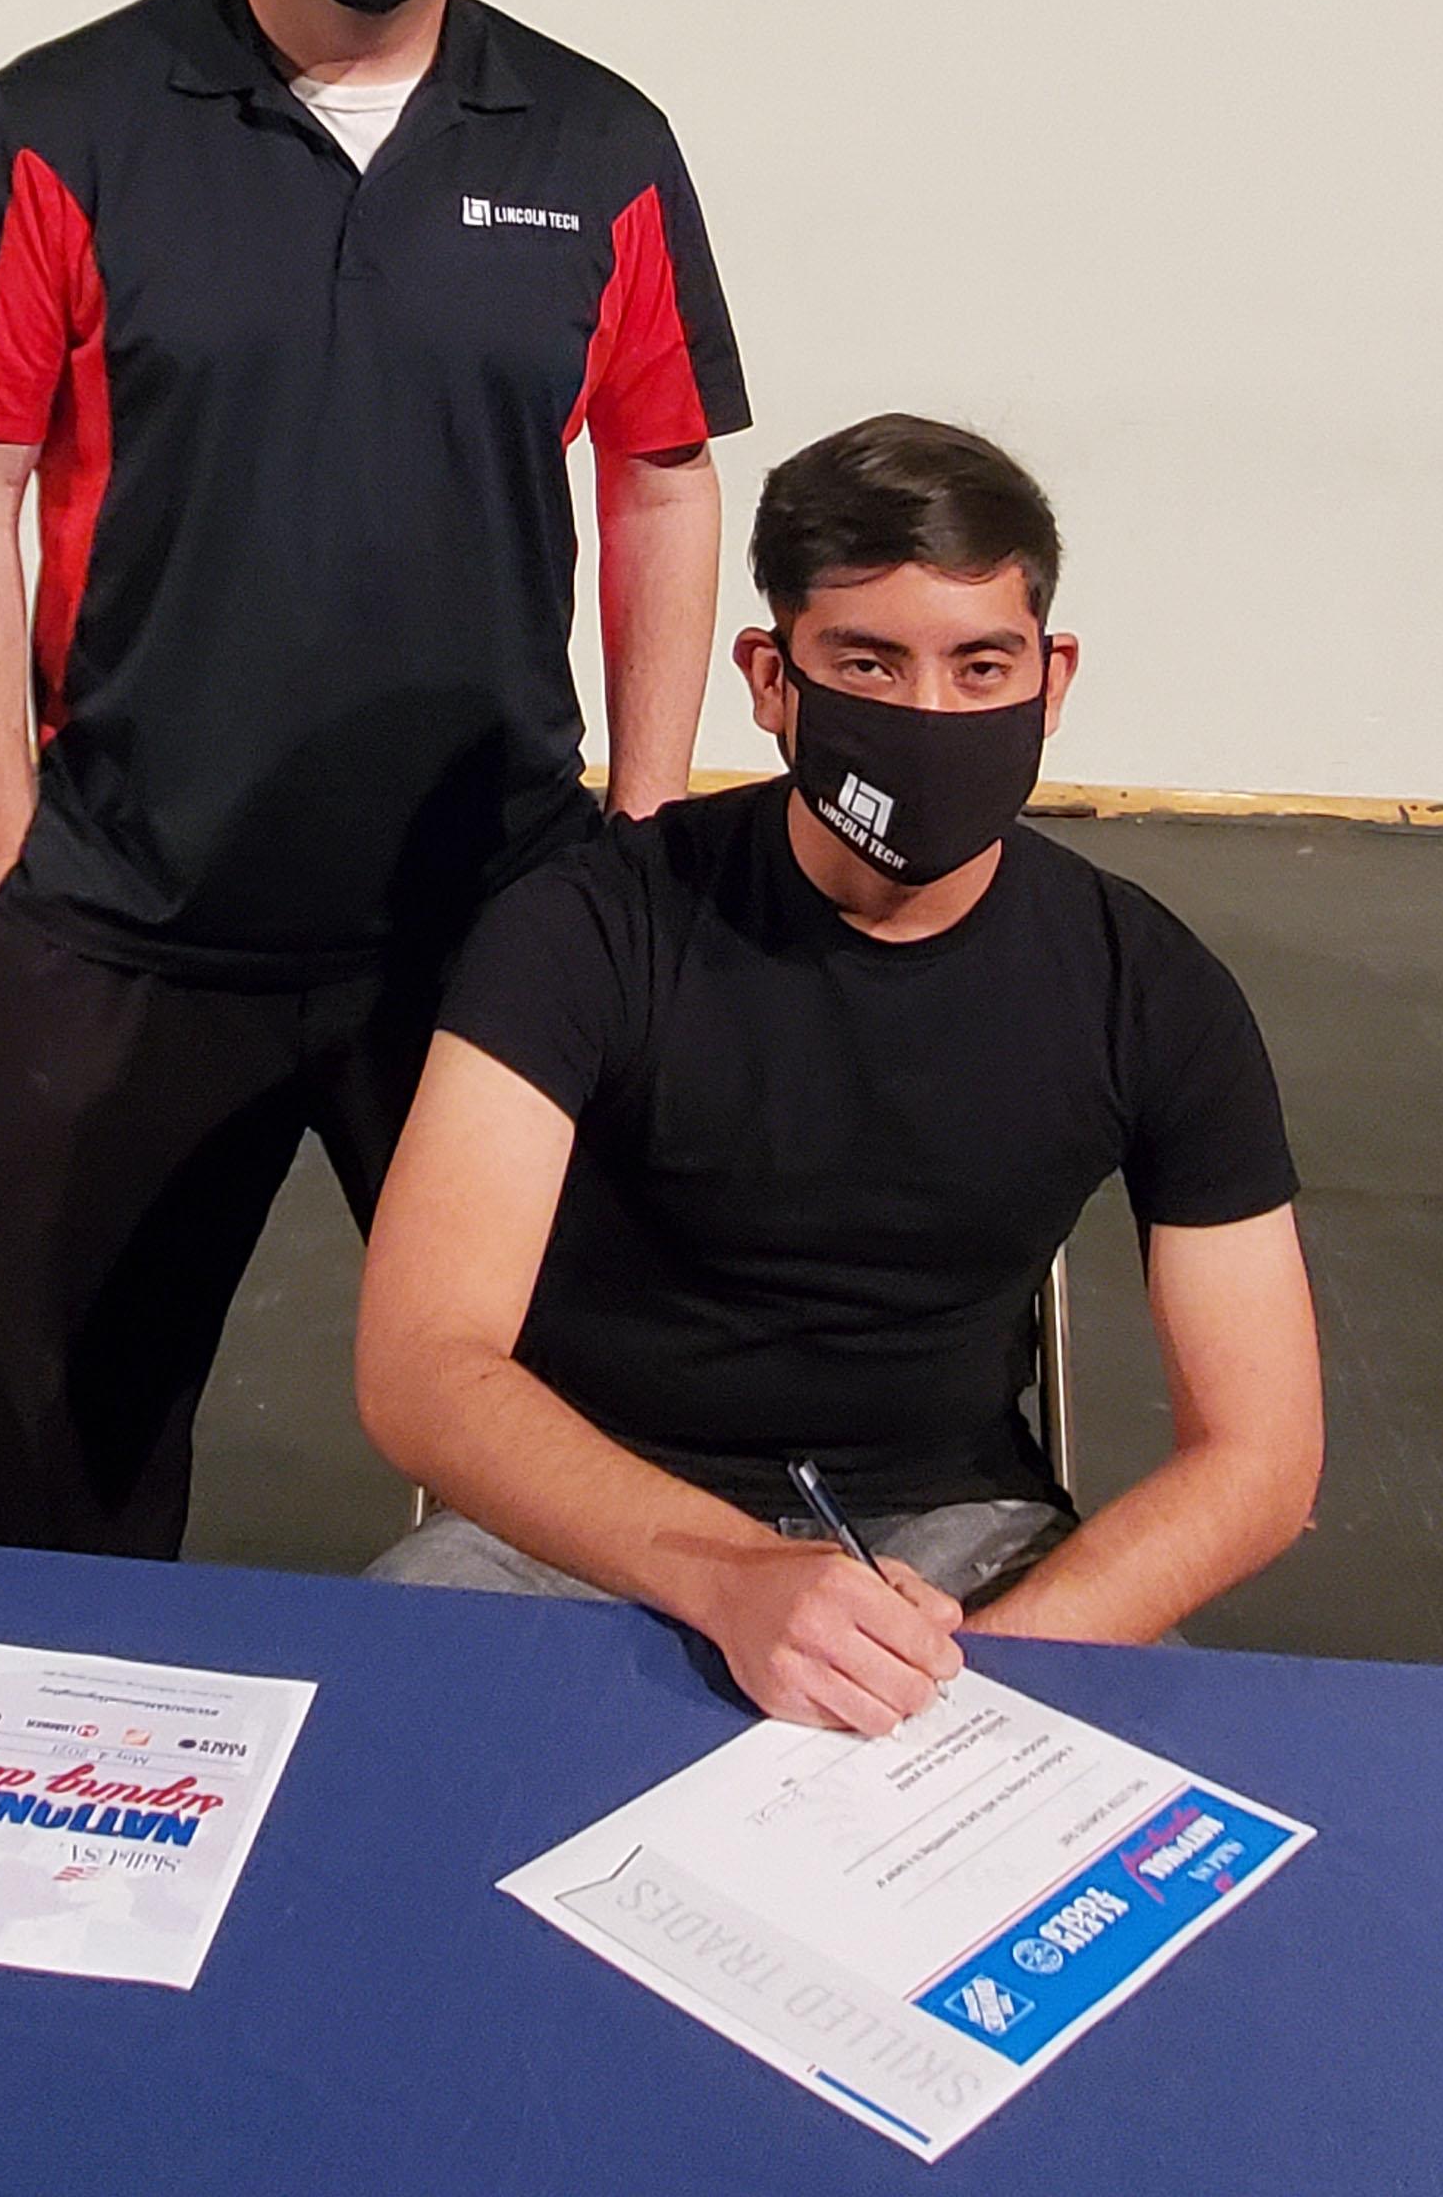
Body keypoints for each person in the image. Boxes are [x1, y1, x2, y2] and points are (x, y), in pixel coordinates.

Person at [0, 0, 749, 1558]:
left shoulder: (600, 143)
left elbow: (664, 471)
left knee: (562, 1458)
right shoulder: (67, 116)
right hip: (130, 922)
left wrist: (640, 828)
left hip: (488, 924)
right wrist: (0, 860)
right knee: (70, 1476)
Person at [358, 416, 1324, 1733]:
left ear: (1052, 677)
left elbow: (1261, 1456)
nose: (929, 716)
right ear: (771, 679)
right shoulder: (584, 931)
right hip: (585, 1520)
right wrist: (738, 1578)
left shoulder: (1149, 987)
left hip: (963, 1557)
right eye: (869, 662)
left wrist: (974, 1684)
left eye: (981, 667)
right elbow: (422, 1364)